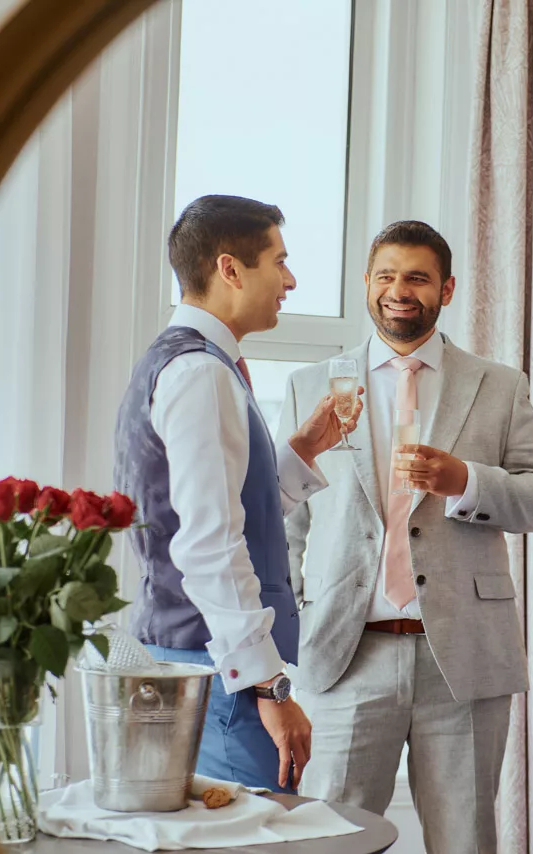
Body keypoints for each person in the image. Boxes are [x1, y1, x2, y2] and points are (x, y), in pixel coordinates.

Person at [277, 221, 533, 853]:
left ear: (447, 288)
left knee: (465, 841)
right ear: (366, 284)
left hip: (462, 655)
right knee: (329, 839)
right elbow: (286, 526)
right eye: (385, 275)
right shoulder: (311, 385)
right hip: (345, 656)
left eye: (416, 277)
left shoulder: (498, 384)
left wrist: (466, 480)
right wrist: (297, 620)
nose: (398, 290)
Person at [113, 195, 363, 793]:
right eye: (279, 261)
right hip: (221, 675)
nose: (290, 280)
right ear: (230, 269)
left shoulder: (183, 363)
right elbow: (208, 546)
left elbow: (213, 516)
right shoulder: (201, 374)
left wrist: (300, 452)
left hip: (201, 661)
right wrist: (268, 686)